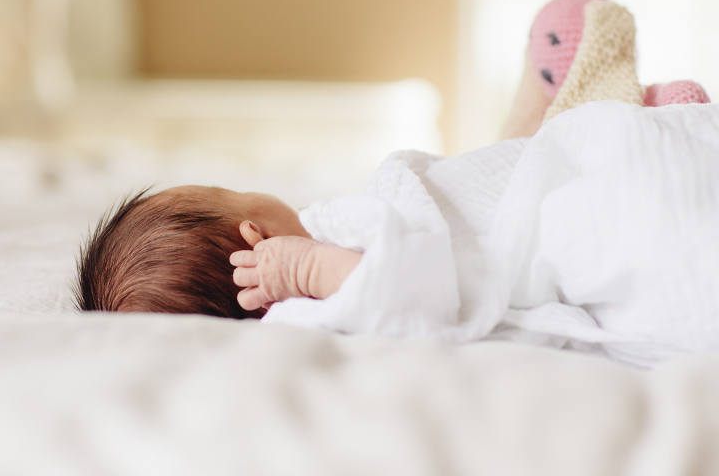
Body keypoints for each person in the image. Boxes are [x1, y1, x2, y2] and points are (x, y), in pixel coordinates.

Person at [76, 100, 719, 368]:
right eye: (226, 189)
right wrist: (309, 271)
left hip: (548, 200)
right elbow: (414, 289)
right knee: (638, 203)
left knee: (596, 158)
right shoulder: (322, 285)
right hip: (598, 220)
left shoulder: (332, 257)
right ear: (255, 231)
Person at [75, 185, 360, 317]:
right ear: (259, 238)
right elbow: (395, 278)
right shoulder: (337, 278)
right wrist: (310, 267)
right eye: (237, 193)